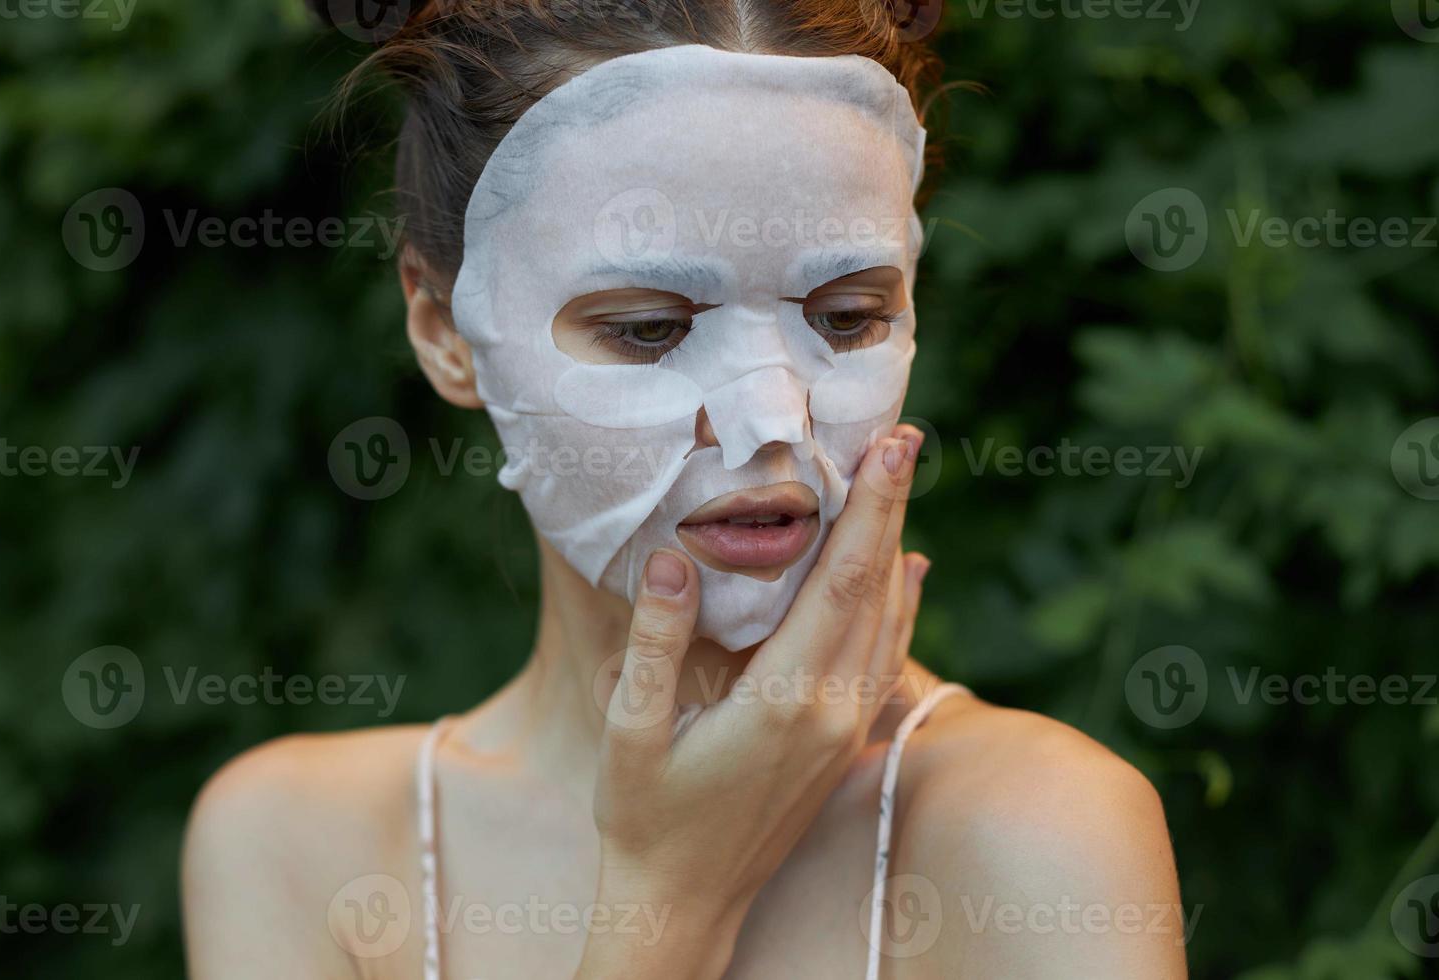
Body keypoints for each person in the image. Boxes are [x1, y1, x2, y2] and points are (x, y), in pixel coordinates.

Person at [182, 3, 1186, 977]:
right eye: (649, 329)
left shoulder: (1036, 837)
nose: (773, 422)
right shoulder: (298, 849)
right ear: (445, 330)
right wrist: (667, 904)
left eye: (845, 317)